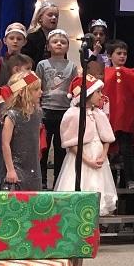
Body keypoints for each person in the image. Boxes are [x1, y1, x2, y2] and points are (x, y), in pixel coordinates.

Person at [55, 74, 117, 216]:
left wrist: (103, 155)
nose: (101, 95)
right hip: (81, 159)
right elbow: (71, 143)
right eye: (98, 92)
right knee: (81, 183)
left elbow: (106, 138)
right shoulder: (73, 114)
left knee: (97, 185)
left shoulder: (99, 114)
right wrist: (87, 160)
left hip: (98, 158)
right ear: (87, 94)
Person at [36, 29, 78, 189]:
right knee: (43, 148)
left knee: (61, 148)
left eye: (63, 42)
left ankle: (58, 182)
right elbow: (37, 86)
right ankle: (42, 181)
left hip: (64, 112)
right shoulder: (42, 64)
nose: (59, 44)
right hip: (45, 110)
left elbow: (74, 88)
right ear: (48, 45)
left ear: (68, 46)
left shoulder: (72, 66)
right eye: (55, 41)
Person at [104, 40, 134, 189]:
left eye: (124, 54)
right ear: (109, 55)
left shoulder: (132, 73)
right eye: (118, 53)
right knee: (109, 151)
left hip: (126, 118)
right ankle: (109, 184)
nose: (122, 56)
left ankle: (129, 179)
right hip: (109, 117)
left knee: (127, 149)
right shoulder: (104, 73)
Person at [0, 71, 44, 190]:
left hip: (33, 166)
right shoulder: (12, 115)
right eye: (36, 90)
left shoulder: (37, 113)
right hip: (17, 168)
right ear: (23, 93)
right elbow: (5, 144)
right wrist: (10, 170)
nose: (41, 92)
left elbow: (36, 139)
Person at [0, 23, 28, 106]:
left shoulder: (27, 63)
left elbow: (30, 84)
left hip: (21, 105)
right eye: (11, 38)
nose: (15, 41)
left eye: (19, 39)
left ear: (24, 42)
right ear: (5, 40)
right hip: (1, 105)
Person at [23, 1, 58, 65]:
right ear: (40, 18)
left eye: (56, 16)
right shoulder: (32, 37)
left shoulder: (59, 38)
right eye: (50, 15)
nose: (54, 18)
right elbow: (26, 61)